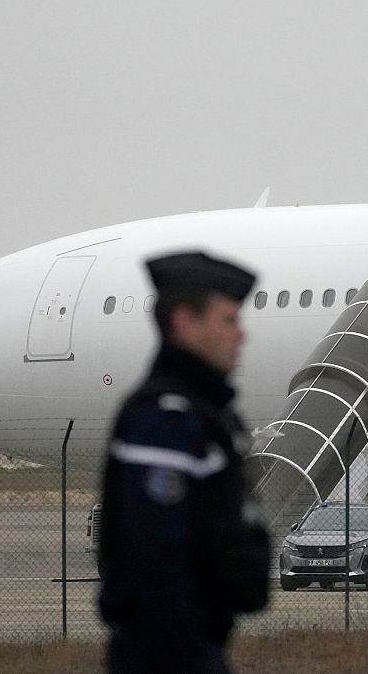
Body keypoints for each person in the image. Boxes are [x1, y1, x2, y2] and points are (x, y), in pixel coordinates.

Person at [98, 251, 270, 674]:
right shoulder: (165, 421)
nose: (241, 335)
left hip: (195, 645)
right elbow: (155, 559)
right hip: (168, 653)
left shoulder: (206, 415)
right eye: (228, 320)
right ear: (184, 323)